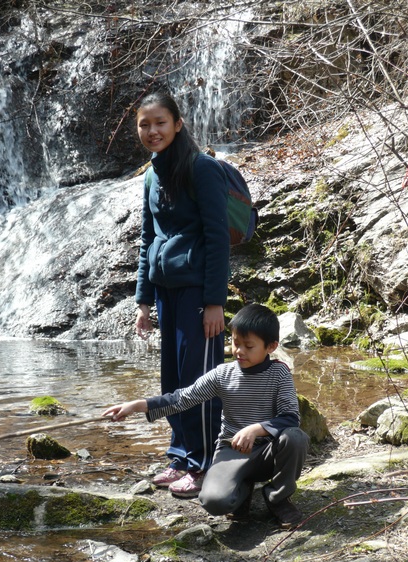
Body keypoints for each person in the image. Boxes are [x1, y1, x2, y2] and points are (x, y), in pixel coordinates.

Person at [103, 303, 310, 529]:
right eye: (235, 343)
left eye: (248, 346)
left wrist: (255, 429)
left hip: (269, 452)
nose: (239, 351)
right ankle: (241, 489)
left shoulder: (279, 374)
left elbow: (290, 418)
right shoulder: (223, 374)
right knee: (214, 501)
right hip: (232, 451)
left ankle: (278, 499)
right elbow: (182, 398)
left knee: (295, 437)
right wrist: (136, 406)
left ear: (270, 346)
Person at [133, 90, 230, 498]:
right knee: (172, 377)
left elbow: (217, 237)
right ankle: (180, 455)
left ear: (178, 123)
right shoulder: (152, 175)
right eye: (144, 124)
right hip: (166, 294)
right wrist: (142, 300)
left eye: (160, 122)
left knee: (199, 380)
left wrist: (215, 302)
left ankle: (205, 461)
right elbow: (147, 237)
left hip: (196, 292)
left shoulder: (201, 168)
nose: (152, 131)